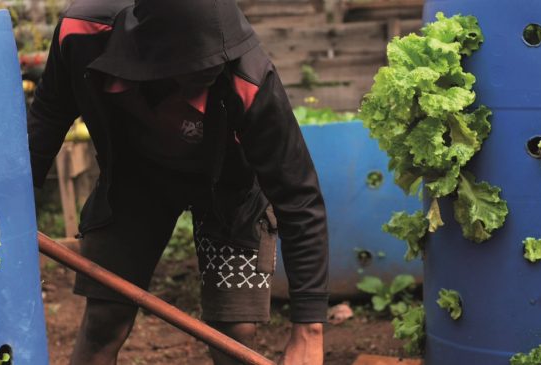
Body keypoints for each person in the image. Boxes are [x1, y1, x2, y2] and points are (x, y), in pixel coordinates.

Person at [26, 0, 329, 364]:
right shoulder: (84, 34)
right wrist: (12, 205)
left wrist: (308, 331)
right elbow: (49, 112)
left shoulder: (246, 76)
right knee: (105, 320)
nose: (211, 79)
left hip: (232, 191)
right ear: (153, 57)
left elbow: (299, 198)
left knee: (234, 334)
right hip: (135, 181)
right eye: (197, 72)